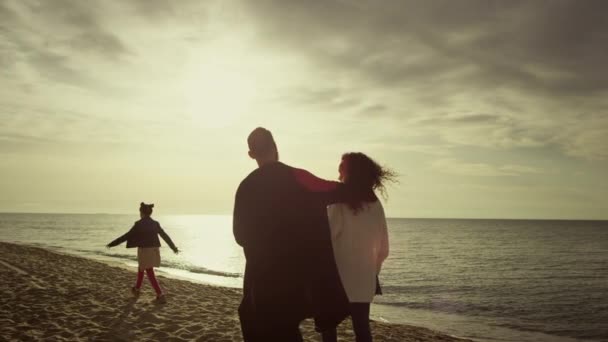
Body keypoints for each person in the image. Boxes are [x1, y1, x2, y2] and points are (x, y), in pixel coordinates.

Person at [233, 127, 350, 342]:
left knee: (257, 325)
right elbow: (335, 191)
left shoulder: (245, 186)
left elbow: (239, 235)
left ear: (251, 154)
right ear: (275, 147)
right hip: (296, 278)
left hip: (260, 279)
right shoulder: (297, 176)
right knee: (286, 330)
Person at [321, 153, 395, 342]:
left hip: (337, 280)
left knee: (328, 326)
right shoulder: (375, 204)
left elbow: (327, 237)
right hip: (363, 280)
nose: (338, 173)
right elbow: (384, 248)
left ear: (351, 173)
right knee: (362, 329)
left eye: (342, 169)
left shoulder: (339, 202)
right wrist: (372, 271)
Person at [107, 202, 179, 303]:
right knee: (141, 267)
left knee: (149, 271)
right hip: (154, 250)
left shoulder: (139, 224)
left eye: (140, 212)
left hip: (145, 250)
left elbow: (127, 236)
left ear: (142, 212)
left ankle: (160, 294)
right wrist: (173, 247)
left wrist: (113, 243)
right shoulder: (155, 223)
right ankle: (137, 289)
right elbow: (165, 236)